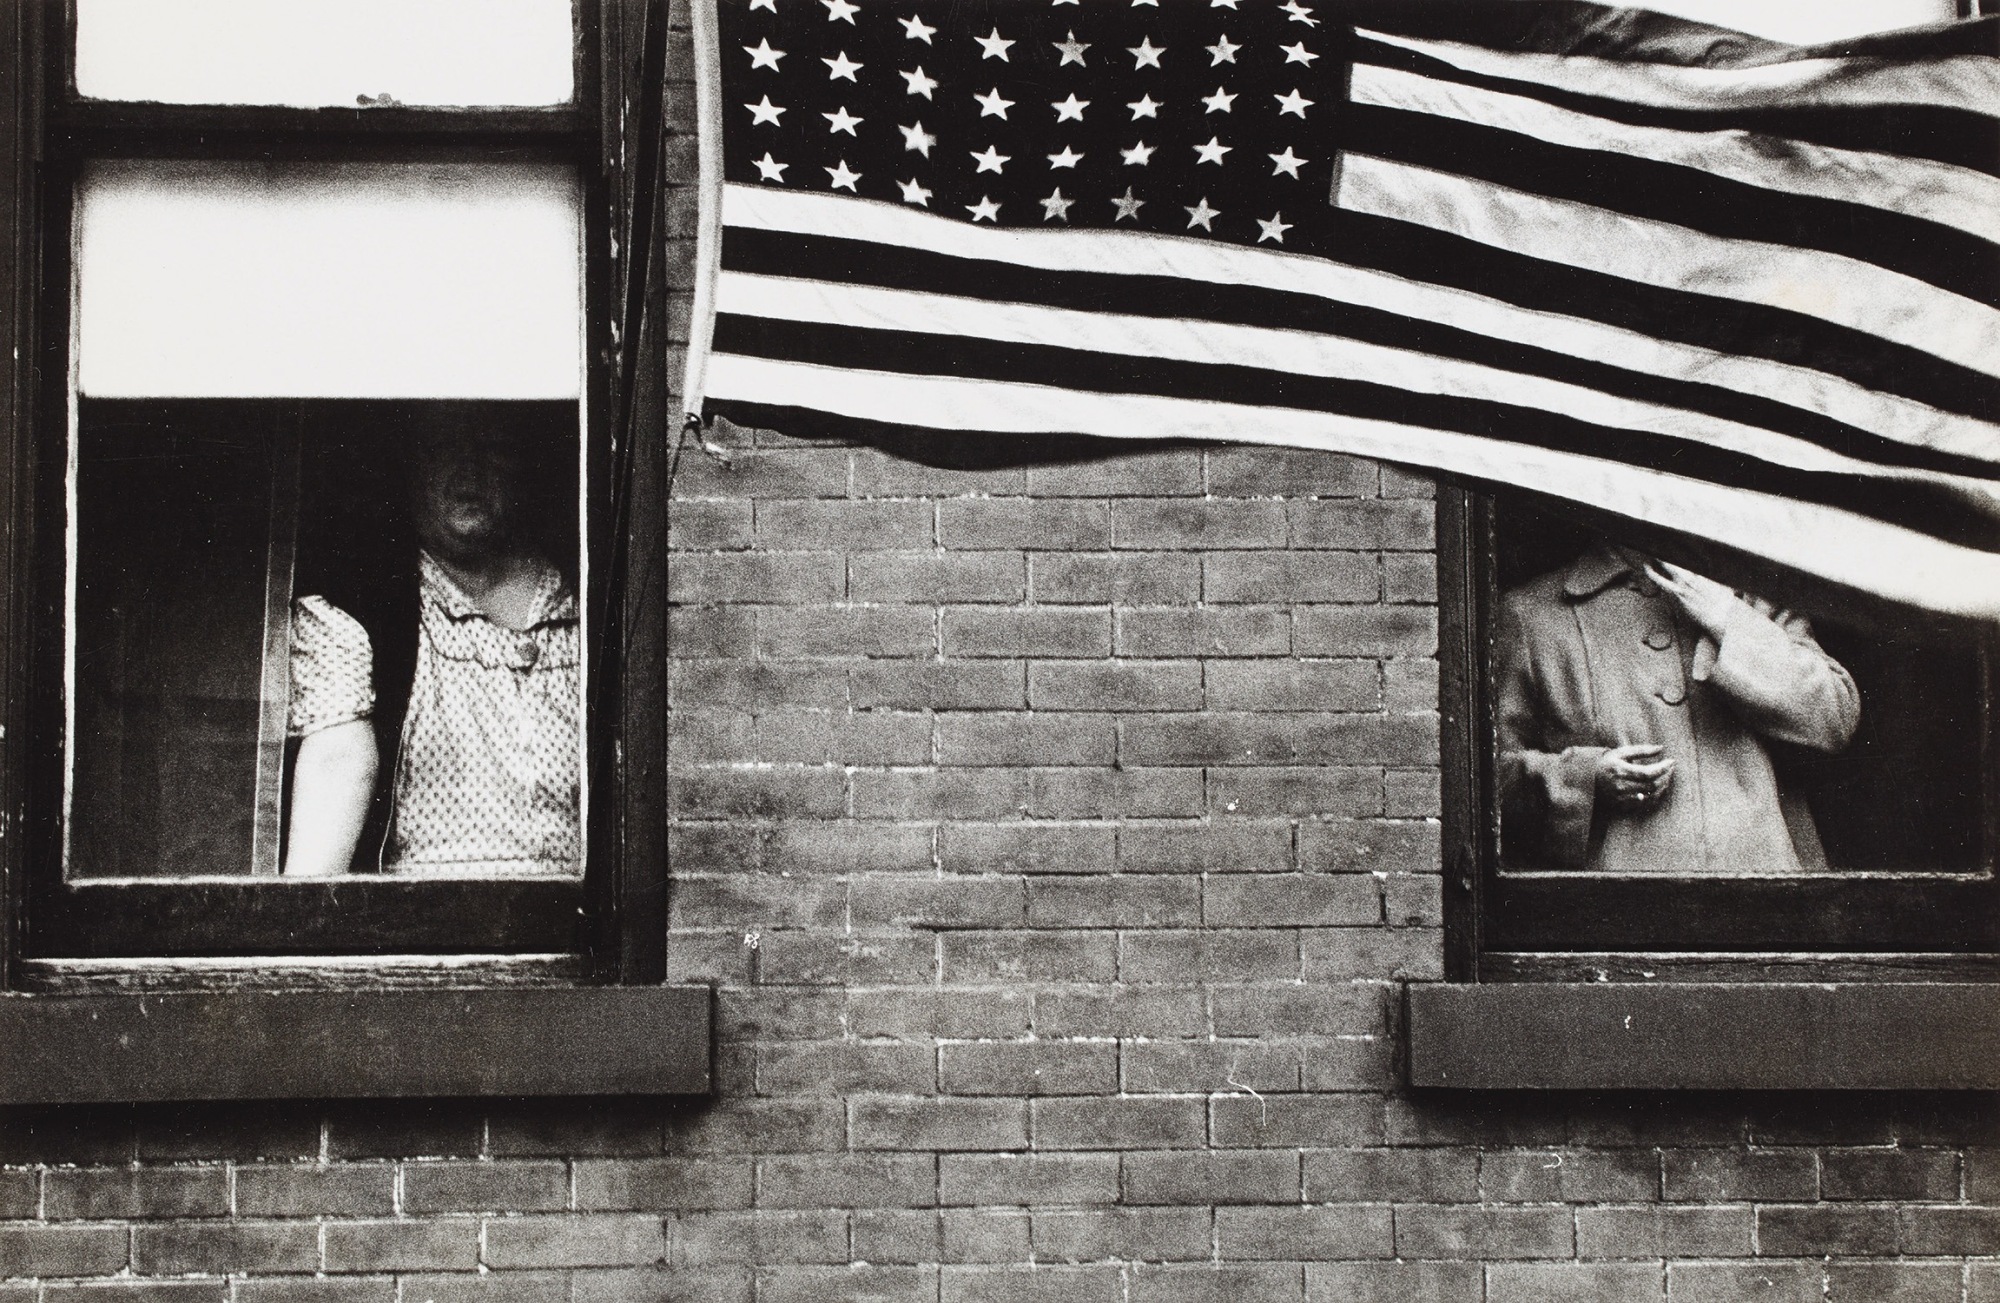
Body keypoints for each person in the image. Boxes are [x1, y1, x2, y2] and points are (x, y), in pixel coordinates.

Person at [282, 417, 581, 875]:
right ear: (411, 463)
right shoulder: (365, 607)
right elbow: (337, 762)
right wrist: (299, 929)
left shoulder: (586, 606)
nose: (470, 469)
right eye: (444, 445)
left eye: (493, 446)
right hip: (427, 929)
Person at [1495, 543, 1860, 875]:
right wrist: (1586, 778)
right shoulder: (1532, 613)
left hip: (1767, 898)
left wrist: (1729, 619)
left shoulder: (1756, 595)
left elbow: (1834, 718)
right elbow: (1488, 777)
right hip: (1618, 910)